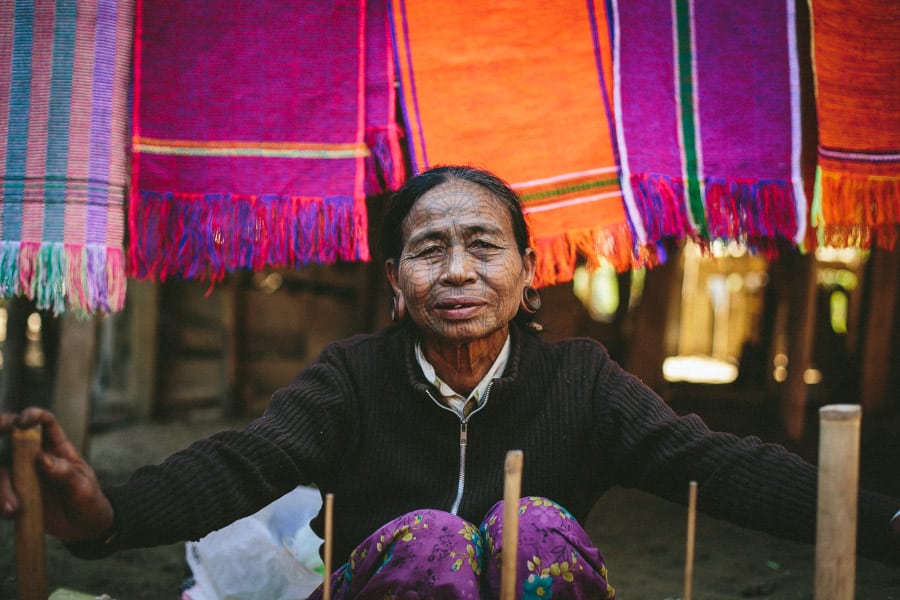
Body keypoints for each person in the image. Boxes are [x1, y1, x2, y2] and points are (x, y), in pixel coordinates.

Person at [1, 164, 898, 598]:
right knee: (431, 539)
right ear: (395, 286)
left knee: (532, 526)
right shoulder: (352, 379)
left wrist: (881, 518)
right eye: (429, 250)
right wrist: (108, 516)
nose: (458, 271)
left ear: (526, 274)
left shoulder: (581, 381)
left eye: (484, 246)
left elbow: (719, 464)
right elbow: (242, 464)